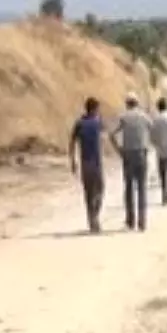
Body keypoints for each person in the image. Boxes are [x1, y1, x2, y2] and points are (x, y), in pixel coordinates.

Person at [108, 92, 153, 231]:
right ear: (137, 103)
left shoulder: (123, 117)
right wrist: (147, 143)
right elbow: (152, 129)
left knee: (129, 188)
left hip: (128, 154)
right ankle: (142, 221)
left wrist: (118, 150)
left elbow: (111, 134)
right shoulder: (144, 117)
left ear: (127, 103)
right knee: (141, 188)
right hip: (141, 153)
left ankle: (130, 220)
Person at [68, 96, 105, 233]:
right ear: (94, 109)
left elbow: (71, 143)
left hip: (85, 162)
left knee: (90, 192)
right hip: (95, 162)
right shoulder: (97, 122)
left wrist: (73, 160)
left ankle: (92, 219)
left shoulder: (79, 123)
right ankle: (94, 217)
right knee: (99, 189)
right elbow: (104, 137)